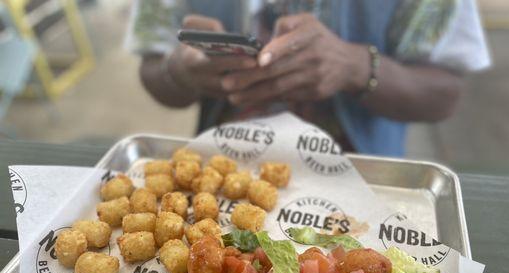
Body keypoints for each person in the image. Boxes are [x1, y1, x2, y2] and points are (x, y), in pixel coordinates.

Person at [126, 0, 490, 156]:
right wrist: (181, 70)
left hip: (368, 176)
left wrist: (356, 67)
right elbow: (153, 70)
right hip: (218, 174)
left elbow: (445, 93)